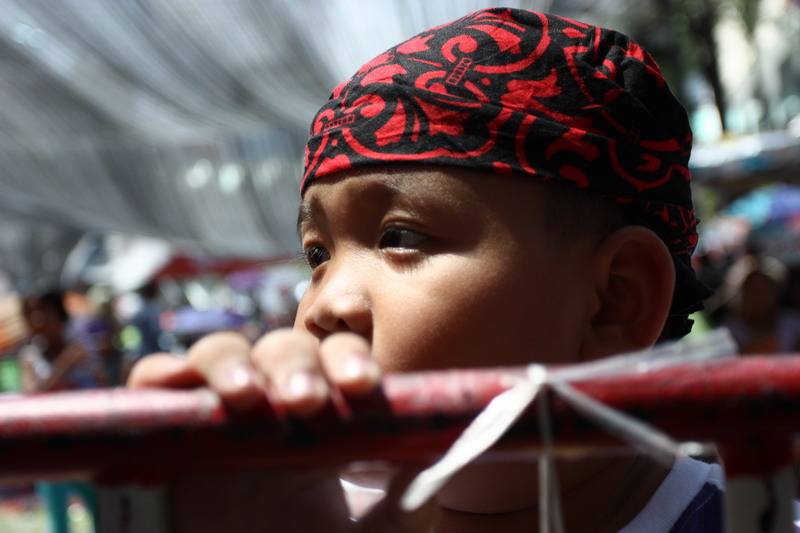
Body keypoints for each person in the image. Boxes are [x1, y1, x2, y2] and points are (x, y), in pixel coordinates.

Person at [129, 7, 719, 532]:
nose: (323, 307)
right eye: (318, 255)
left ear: (617, 299)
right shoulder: (297, 514)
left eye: (400, 237)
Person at [18, 288, 104, 533]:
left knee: (100, 511)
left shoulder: (81, 350)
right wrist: (64, 364)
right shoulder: (31, 357)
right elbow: (30, 393)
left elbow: (100, 389)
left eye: (43, 313)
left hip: (85, 446)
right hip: (47, 450)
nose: (37, 322)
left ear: (59, 315)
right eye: (30, 315)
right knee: (58, 521)